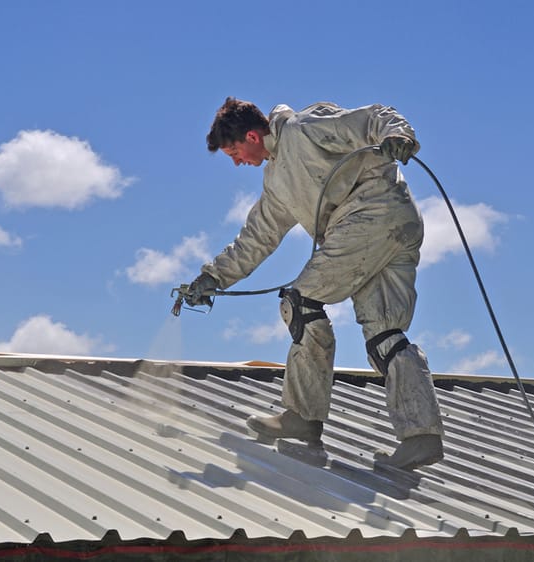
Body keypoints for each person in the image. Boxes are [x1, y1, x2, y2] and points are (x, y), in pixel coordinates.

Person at [183, 97, 444, 470]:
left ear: (254, 136)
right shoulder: (277, 182)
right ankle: (421, 436)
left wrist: (398, 134)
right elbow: (256, 238)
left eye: (235, 152)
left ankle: (303, 417)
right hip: (397, 223)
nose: (237, 161)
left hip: (370, 213)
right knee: (385, 335)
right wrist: (214, 276)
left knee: (300, 302)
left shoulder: (305, 130)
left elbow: (371, 117)